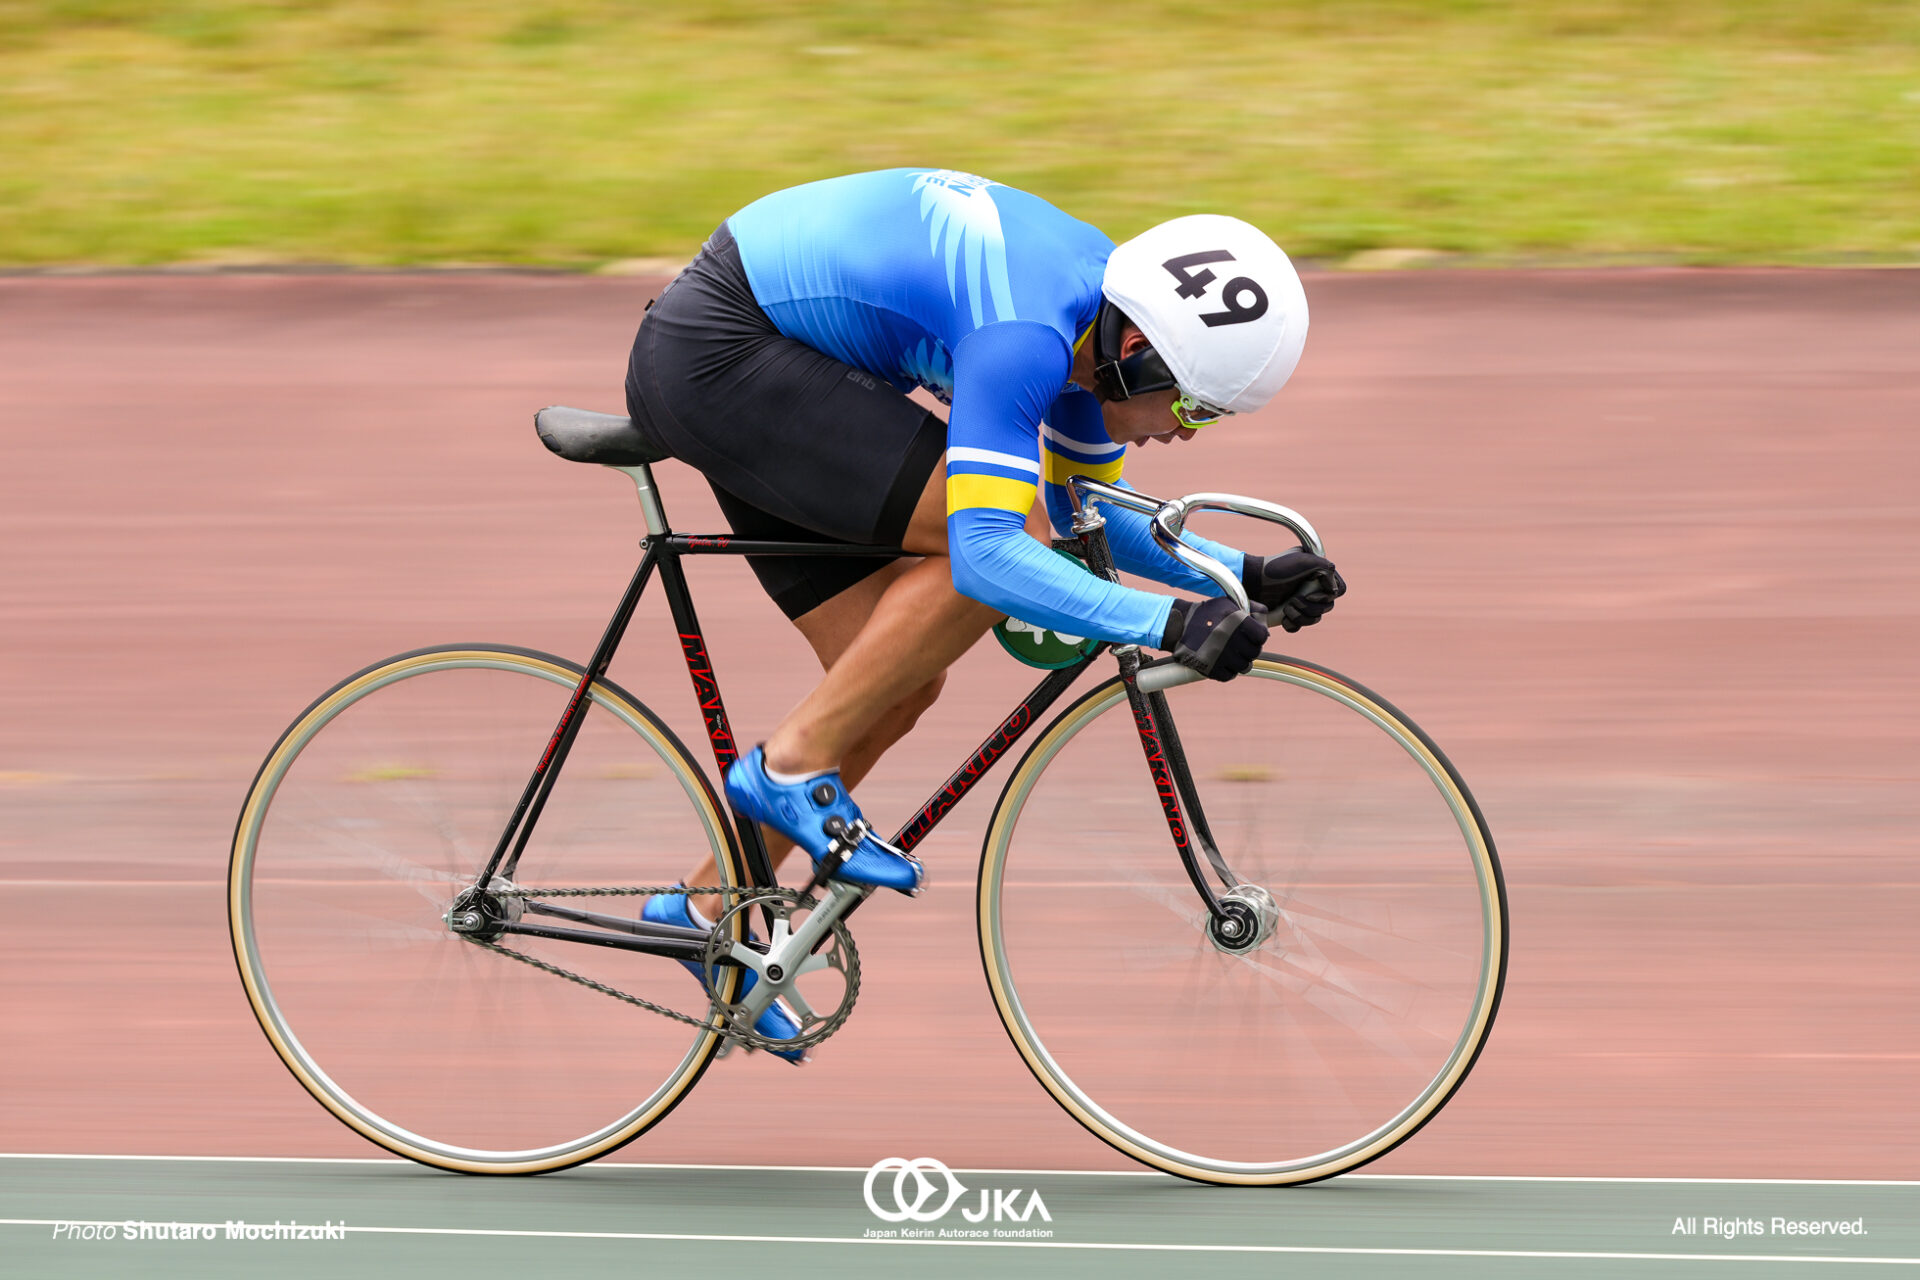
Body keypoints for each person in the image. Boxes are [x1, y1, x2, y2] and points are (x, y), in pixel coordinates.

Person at [626, 169, 1344, 1062]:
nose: (1191, 434)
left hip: (771, 360)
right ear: (1143, 353)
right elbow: (992, 551)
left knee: (890, 689)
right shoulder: (1029, 338)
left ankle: (703, 913)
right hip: (722, 350)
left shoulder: (1096, 341)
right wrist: (1167, 625)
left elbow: (1081, 517)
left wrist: (1243, 573)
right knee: (986, 555)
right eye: (1194, 407)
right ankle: (786, 770)